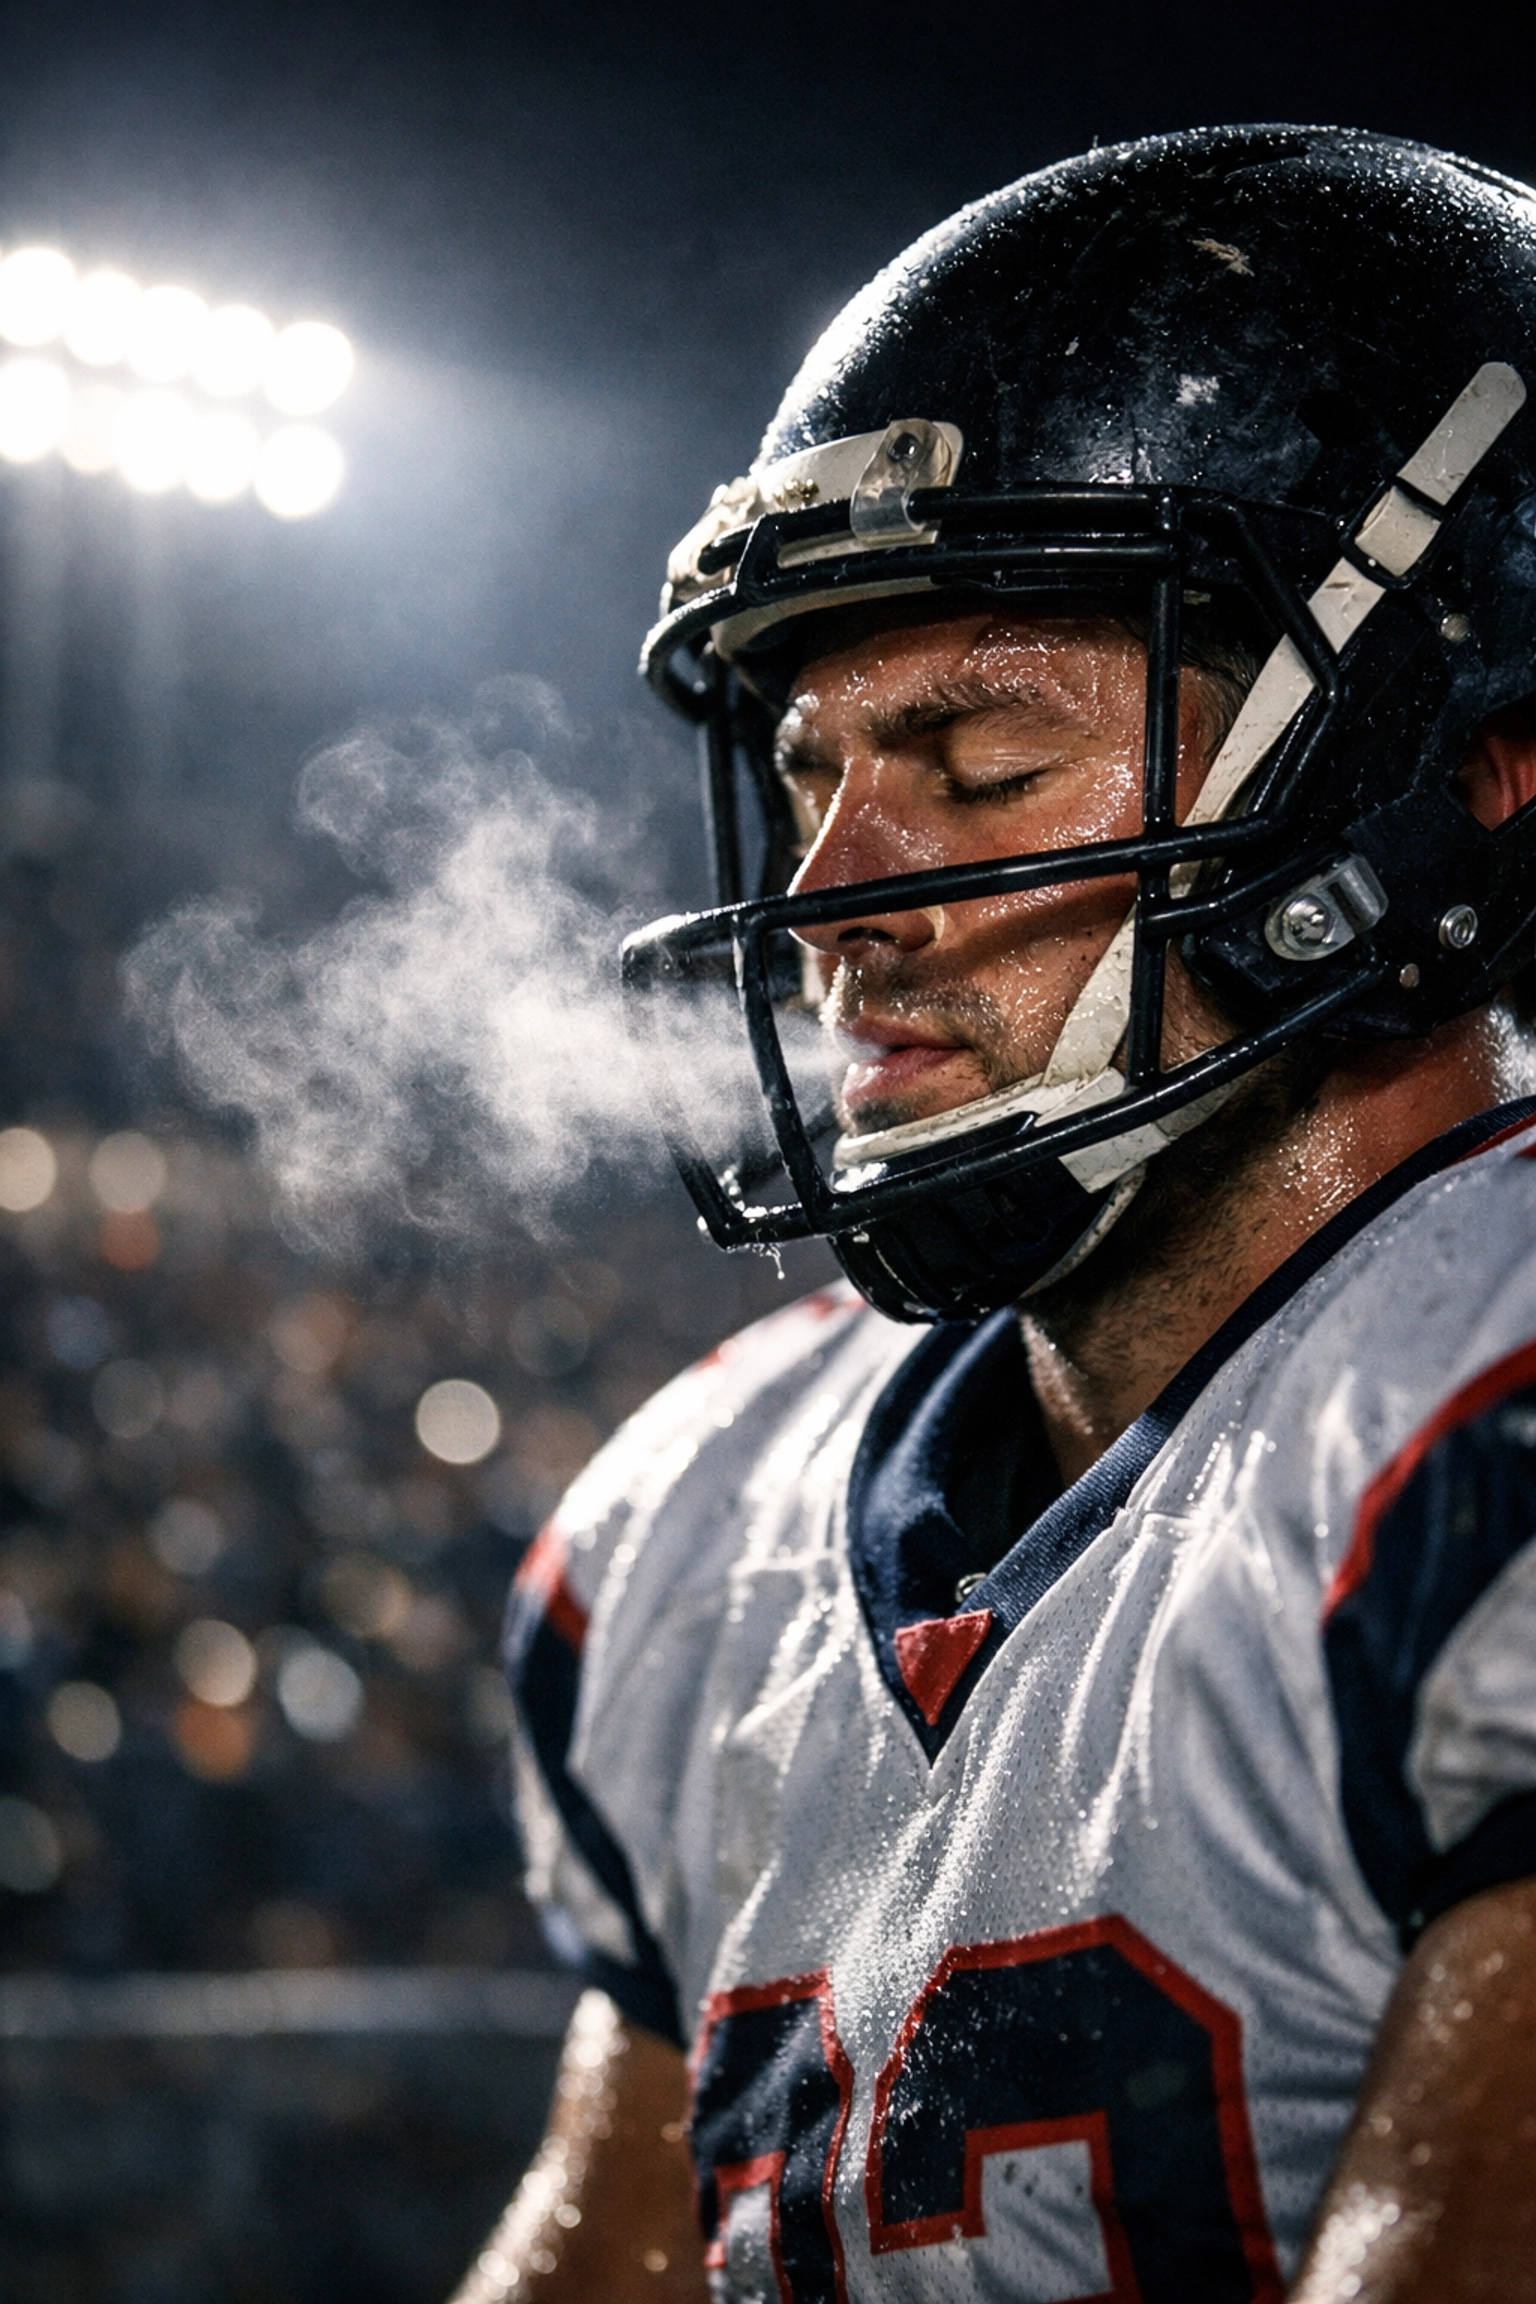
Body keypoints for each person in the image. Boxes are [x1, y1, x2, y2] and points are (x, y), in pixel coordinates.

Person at [454, 127, 1536, 2303]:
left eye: (975, 763)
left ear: (1437, 785)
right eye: (810, 776)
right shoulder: (710, 1527)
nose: (833, 904)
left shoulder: (1474, 1429)